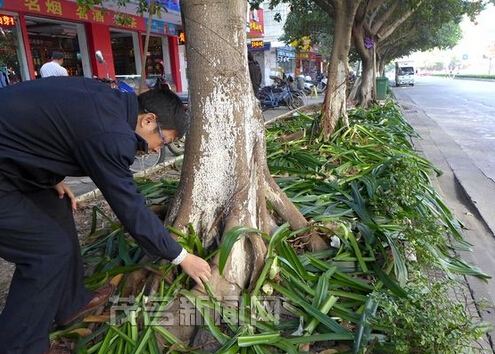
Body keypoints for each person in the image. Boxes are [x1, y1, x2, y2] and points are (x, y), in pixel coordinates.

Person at [0, 77, 211, 354]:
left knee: (57, 204)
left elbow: (52, 126)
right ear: (148, 120)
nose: (158, 149)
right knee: (48, 251)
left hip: (13, 161)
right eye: (163, 140)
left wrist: (48, 174)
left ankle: (70, 302)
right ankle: (19, 346)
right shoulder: (113, 136)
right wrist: (181, 257)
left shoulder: (113, 100)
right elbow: (130, 208)